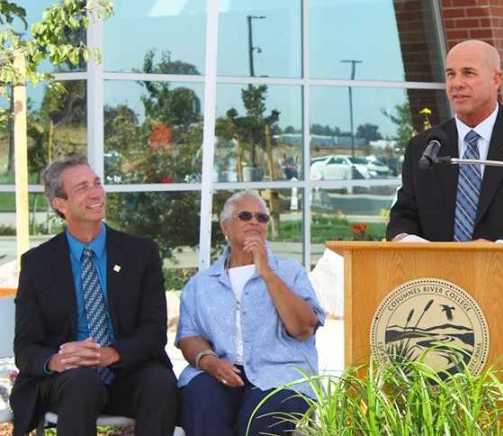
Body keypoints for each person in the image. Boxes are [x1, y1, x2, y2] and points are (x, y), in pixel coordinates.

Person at [386, 39, 503, 435]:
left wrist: (501, 252)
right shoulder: (427, 145)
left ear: (496, 79)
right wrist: (406, 240)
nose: (457, 83)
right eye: (451, 74)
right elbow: (405, 211)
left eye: (468, 73)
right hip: (440, 304)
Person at [11, 156, 177, 436]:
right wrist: (56, 360)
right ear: (60, 204)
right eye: (82, 187)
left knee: (159, 383)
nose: (96, 193)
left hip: (127, 368)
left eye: (97, 183)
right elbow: (26, 347)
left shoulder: (140, 252)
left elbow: (154, 331)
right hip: (69, 380)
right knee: (81, 382)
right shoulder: (37, 264)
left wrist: (111, 354)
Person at [176, 190, 325, 436]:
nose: (254, 222)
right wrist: (210, 362)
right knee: (201, 401)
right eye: (244, 216)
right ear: (225, 227)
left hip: (280, 375)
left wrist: (267, 273)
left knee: (260, 423)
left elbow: (303, 328)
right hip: (220, 371)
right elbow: (189, 335)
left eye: (262, 217)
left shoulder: (290, 272)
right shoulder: (201, 284)